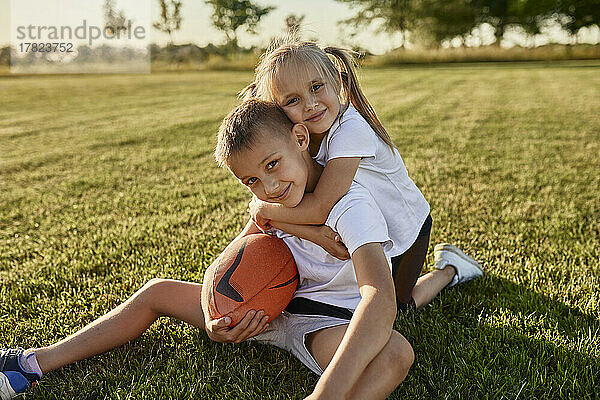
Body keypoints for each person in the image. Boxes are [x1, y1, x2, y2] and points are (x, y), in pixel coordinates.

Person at [0, 99, 481, 400]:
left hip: (324, 322)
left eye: (273, 165)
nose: (268, 186)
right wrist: (216, 313)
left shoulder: (351, 206)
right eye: (252, 179)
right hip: (263, 310)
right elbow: (243, 252)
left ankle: (450, 270)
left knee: (396, 348)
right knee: (157, 291)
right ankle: (29, 365)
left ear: (299, 139)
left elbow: (376, 295)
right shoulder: (269, 201)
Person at [241, 39, 479, 313]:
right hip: (369, 231)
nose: (310, 104)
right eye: (292, 100)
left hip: (405, 232)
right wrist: (311, 234)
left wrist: (262, 209)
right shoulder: (301, 140)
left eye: (316, 87)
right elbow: (300, 208)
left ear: (337, 83)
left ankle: (449, 269)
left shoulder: (350, 129)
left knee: (400, 307)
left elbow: (321, 207)